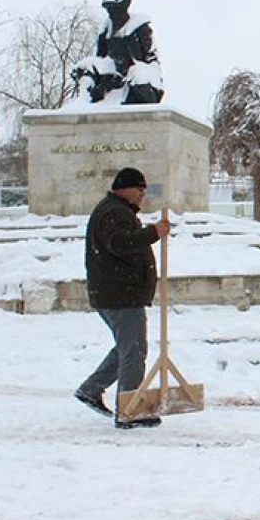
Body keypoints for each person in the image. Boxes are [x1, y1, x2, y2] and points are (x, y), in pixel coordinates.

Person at [74, 167, 169, 429]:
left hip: (116, 293)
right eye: (139, 190)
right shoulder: (115, 212)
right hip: (120, 295)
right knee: (133, 352)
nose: (142, 195)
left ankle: (91, 389)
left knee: (127, 348)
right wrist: (153, 233)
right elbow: (121, 243)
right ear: (123, 188)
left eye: (144, 190)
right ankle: (130, 410)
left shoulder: (115, 210)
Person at [73, 0, 164, 104]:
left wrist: (148, 76)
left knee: (138, 78)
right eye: (109, 9)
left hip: (135, 71)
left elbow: (151, 59)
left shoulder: (140, 28)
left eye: (115, 9)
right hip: (113, 70)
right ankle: (84, 101)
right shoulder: (106, 29)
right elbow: (100, 57)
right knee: (85, 67)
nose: (111, 13)